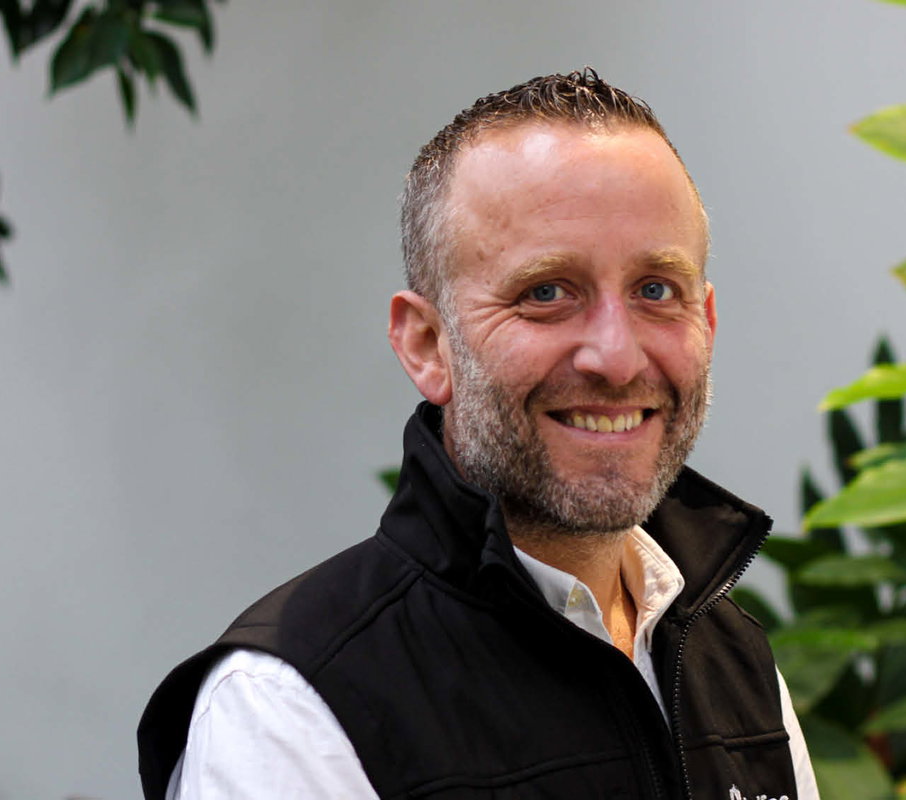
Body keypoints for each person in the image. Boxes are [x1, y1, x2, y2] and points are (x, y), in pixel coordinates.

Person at [138, 68, 819, 800]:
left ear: (706, 324)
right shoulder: (292, 710)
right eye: (547, 293)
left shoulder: (737, 666)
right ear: (428, 345)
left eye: (657, 290)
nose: (617, 358)